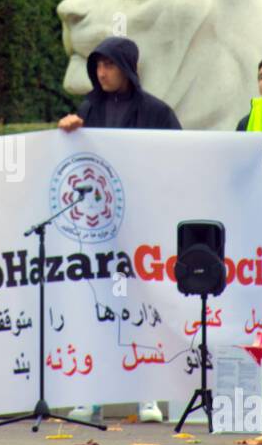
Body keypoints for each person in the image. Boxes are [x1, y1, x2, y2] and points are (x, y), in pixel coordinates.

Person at [59, 36, 181, 424]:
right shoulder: (89, 109)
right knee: (97, 311)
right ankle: (92, 396)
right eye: (97, 66)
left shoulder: (157, 112)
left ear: (126, 68)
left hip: (143, 232)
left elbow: (182, 160)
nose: (101, 72)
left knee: (142, 310)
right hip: (98, 234)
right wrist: (67, 132)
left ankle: (147, 396)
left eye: (109, 65)